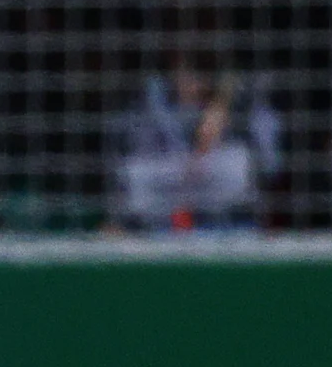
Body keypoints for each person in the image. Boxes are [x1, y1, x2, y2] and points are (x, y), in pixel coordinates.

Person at [112, 53, 281, 233]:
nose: (194, 82)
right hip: (161, 226)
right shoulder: (150, 109)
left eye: (200, 74)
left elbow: (270, 168)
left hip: (228, 227)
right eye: (185, 73)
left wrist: (231, 125)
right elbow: (132, 180)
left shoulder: (242, 113)